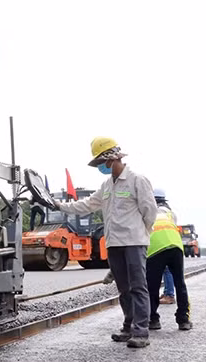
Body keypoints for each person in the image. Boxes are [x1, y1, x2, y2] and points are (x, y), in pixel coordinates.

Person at [52, 137, 156, 348]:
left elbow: (150, 212)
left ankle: (141, 332)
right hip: (114, 244)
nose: (100, 166)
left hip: (134, 242)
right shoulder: (106, 186)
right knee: (123, 288)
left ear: (111, 158)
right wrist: (59, 206)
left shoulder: (137, 180)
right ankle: (128, 327)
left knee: (138, 287)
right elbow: (86, 205)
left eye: (101, 162)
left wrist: (141, 233)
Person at [146, 188, 192, 330]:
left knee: (152, 286)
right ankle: (183, 320)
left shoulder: (146, 210)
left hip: (155, 248)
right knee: (180, 283)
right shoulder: (170, 213)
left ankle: (153, 319)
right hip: (175, 246)